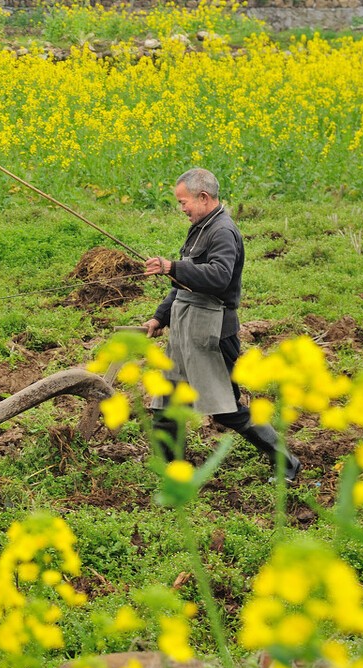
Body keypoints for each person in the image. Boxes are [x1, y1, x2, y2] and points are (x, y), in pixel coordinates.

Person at [141, 168, 300, 481]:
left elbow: (218, 277)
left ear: (203, 197)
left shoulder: (223, 231)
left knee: (227, 409)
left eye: (184, 202)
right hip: (185, 329)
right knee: (165, 405)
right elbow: (181, 283)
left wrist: (172, 266)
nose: (181, 208)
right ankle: (175, 475)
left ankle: (286, 462)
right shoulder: (200, 227)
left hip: (211, 332)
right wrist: (161, 316)